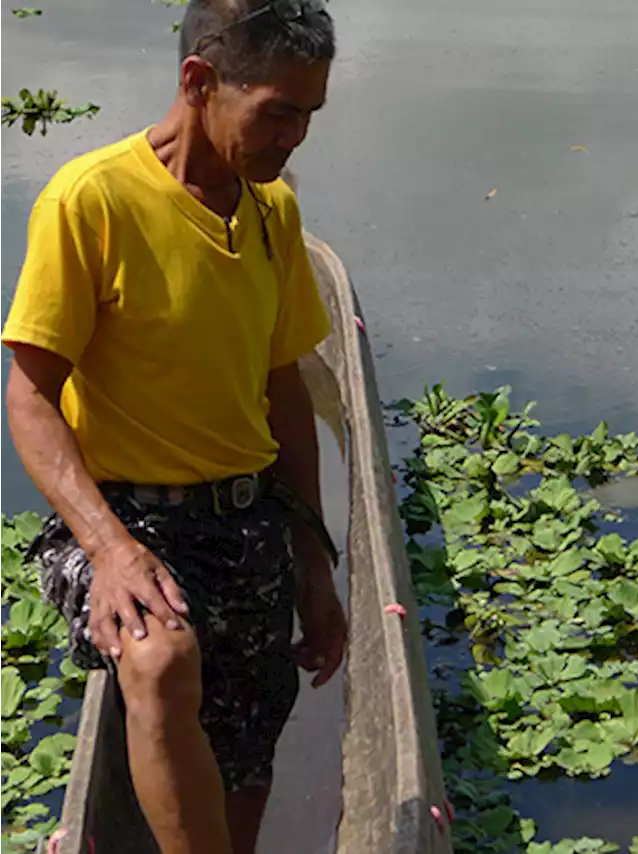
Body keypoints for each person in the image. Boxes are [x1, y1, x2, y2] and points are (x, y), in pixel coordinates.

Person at [2, 1, 346, 851]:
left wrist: (314, 559)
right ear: (198, 82)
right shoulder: (93, 200)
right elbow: (29, 396)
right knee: (158, 662)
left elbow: (285, 391)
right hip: (121, 514)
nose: (295, 137)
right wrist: (111, 549)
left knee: (248, 742)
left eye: (309, 114)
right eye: (277, 111)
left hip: (247, 515)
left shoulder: (273, 214)